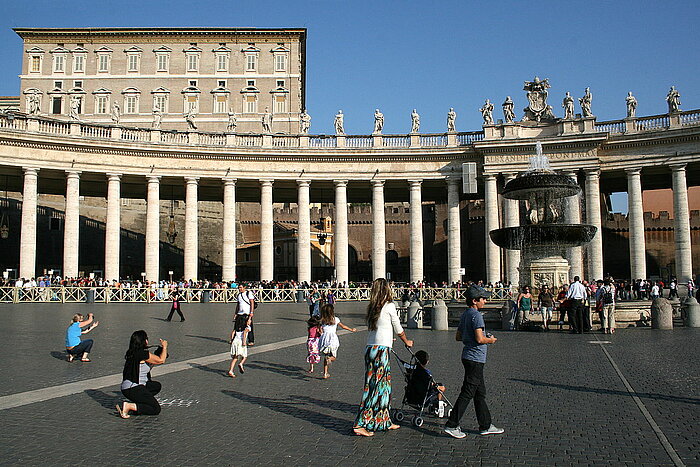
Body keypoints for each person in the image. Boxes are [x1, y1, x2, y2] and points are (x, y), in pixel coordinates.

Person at [353, 278, 413, 437]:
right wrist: (406, 341)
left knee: (384, 386)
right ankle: (360, 424)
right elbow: (398, 327)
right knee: (374, 387)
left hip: (372, 349)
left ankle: (383, 420)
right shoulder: (390, 306)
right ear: (387, 289)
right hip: (380, 352)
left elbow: (379, 328)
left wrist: (388, 339)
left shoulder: (373, 307)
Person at [444, 285, 503, 439]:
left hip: (468, 356)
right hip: (475, 358)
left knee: (480, 393)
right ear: (475, 301)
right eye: (483, 298)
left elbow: (458, 336)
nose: (485, 300)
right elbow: (479, 338)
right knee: (468, 392)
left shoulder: (465, 314)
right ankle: (452, 424)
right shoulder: (477, 315)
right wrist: (490, 340)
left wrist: (469, 338)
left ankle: (485, 425)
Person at [116, 330, 168, 418]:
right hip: (133, 387)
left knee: (156, 386)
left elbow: (151, 362)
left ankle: (141, 403)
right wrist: (165, 347)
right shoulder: (142, 354)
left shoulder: (132, 352)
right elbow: (161, 360)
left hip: (129, 386)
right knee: (155, 409)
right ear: (144, 341)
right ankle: (129, 406)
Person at [318, 304, 356, 379]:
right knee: (333, 356)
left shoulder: (322, 320)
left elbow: (319, 330)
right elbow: (343, 326)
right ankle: (330, 359)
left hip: (324, 338)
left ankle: (325, 373)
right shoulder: (335, 319)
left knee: (326, 356)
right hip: (332, 339)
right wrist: (351, 329)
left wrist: (322, 334)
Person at [407, 350, 448, 417]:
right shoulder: (425, 373)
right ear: (426, 362)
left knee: (438, 385)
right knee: (441, 387)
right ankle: (438, 404)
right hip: (423, 398)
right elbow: (430, 384)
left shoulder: (412, 372)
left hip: (411, 395)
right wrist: (439, 387)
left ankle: (436, 405)